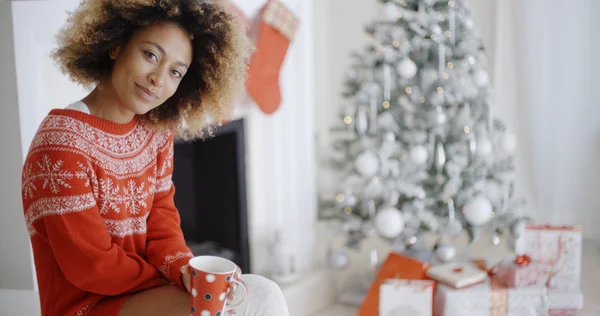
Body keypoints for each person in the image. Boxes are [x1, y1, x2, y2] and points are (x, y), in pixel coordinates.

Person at [20, 0, 289, 315]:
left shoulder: (155, 133)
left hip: (142, 291)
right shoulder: (62, 143)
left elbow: (162, 225)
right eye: (150, 55)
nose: (159, 79)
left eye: (175, 71)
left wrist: (184, 269)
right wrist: (172, 282)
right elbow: (92, 265)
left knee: (264, 294)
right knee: (213, 311)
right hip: (88, 305)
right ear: (116, 45)